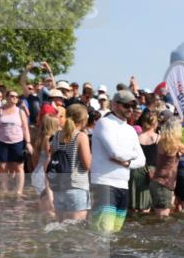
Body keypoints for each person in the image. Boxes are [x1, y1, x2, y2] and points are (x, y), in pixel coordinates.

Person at [89, 89, 144, 233]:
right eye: (126, 105)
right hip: (104, 183)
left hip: (123, 185)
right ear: (114, 105)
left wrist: (127, 163)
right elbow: (114, 152)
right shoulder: (104, 123)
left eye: (133, 106)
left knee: (115, 233)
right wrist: (132, 155)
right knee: (103, 232)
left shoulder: (131, 130)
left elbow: (142, 160)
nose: (130, 109)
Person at [47, 103, 91, 221]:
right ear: (83, 119)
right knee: (76, 229)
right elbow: (87, 165)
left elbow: (52, 158)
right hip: (76, 187)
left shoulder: (56, 136)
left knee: (60, 226)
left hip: (59, 187)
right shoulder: (81, 136)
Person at [150, 117, 184, 218]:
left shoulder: (164, 141)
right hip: (164, 184)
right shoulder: (175, 144)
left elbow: (180, 152)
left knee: (159, 217)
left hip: (158, 183)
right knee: (163, 219)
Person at [0, 87, 31, 194]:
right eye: (12, 96)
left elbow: (25, 128)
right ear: (6, 97)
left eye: (16, 97)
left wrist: (28, 143)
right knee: (2, 166)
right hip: (2, 141)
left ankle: (19, 191)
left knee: (18, 167)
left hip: (18, 141)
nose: (14, 98)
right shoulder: (0, 110)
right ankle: (4, 189)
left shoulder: (20, 112)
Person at [130, 108, 158, 213]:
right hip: (150, 172)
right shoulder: (157, 138)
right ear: (155, 123)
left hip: (135, 170)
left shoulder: (136, 137)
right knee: (145, 206)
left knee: (133, 204)